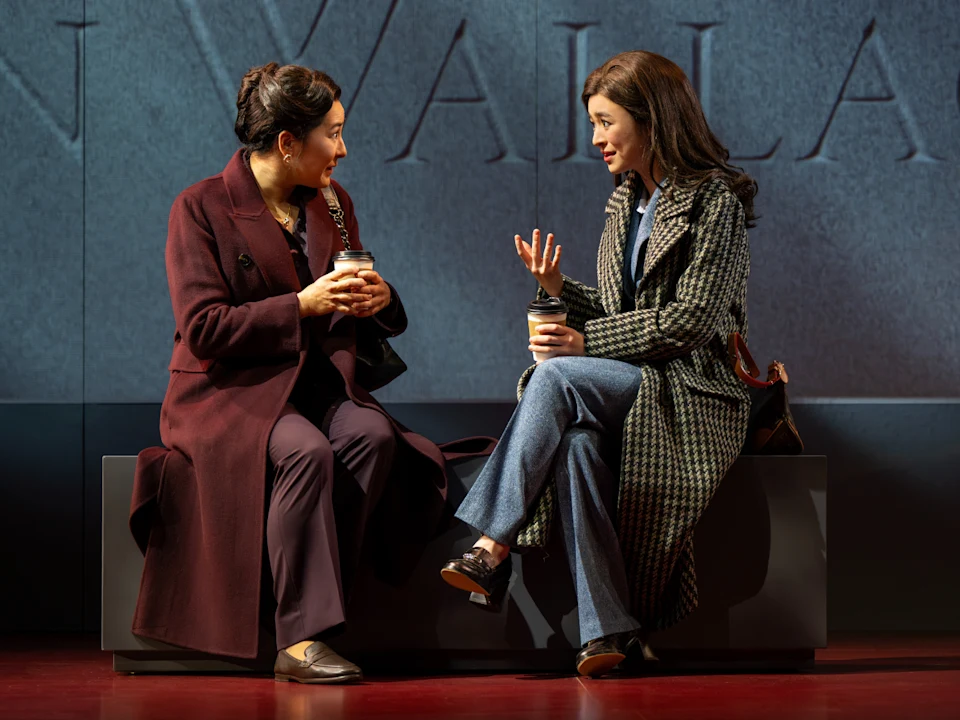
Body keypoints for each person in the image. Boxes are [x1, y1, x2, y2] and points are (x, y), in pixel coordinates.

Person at [129, 63, 491, 684]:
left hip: (316, 386)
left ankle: (310, 600)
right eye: (333, 133)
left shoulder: (332, 202)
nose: (344, 150)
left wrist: (379, 299)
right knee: (305, 453)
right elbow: (206, 329)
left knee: (373, 437)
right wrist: (304, 304)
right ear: (287, 142)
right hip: (225, 393)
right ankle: (301, 639)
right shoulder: (199, 207)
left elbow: (345, 298)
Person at [441, 50, 758, 677]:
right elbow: (620, 309)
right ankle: (609, 633)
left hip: (695, 389)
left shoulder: (715, 202)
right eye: (593, 122)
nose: (596, 139)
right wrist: (561, 290)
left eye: (606, 122)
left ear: (651, 119)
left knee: (556, 375)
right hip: (640, 381)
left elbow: (689, 322)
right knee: (579, 446)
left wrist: (586, 345)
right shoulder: (624, 204)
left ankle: (491, 544)